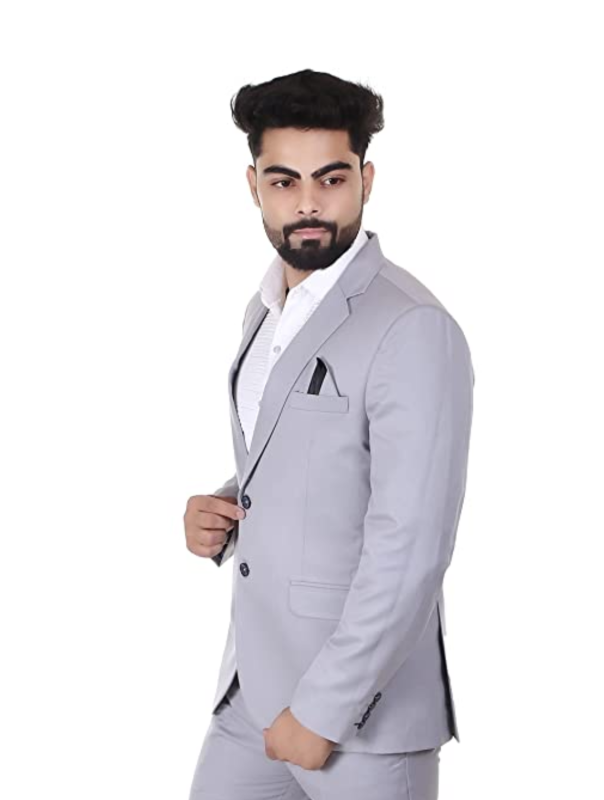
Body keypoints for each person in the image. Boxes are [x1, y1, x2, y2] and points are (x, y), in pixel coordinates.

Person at [183, 68, 475, 799]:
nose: (308, 203)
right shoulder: (266, 309)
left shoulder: (412, 327)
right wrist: (224, 508)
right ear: (254, 186)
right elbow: (305, 458)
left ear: (366, 180)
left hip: (360, 717)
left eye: (331, 179)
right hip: (253, 689)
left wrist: (324, 711)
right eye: (283, 181)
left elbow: (411, 547)